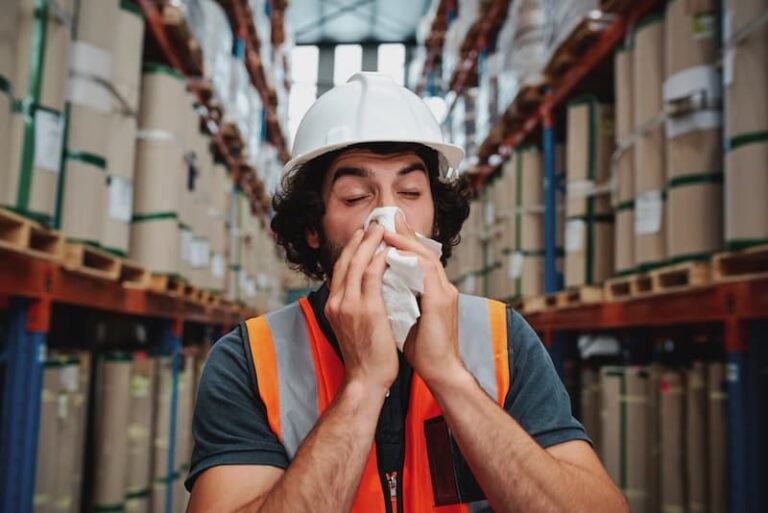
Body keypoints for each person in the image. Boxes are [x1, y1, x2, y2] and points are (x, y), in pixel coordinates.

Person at [185, 72, 628, 513]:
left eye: (410, 192)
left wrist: (449, 376)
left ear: (436, 218)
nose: (388, 218)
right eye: (357, 196)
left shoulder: (500, 339)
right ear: (312, 228)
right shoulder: (249, 359)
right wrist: (362, 384)